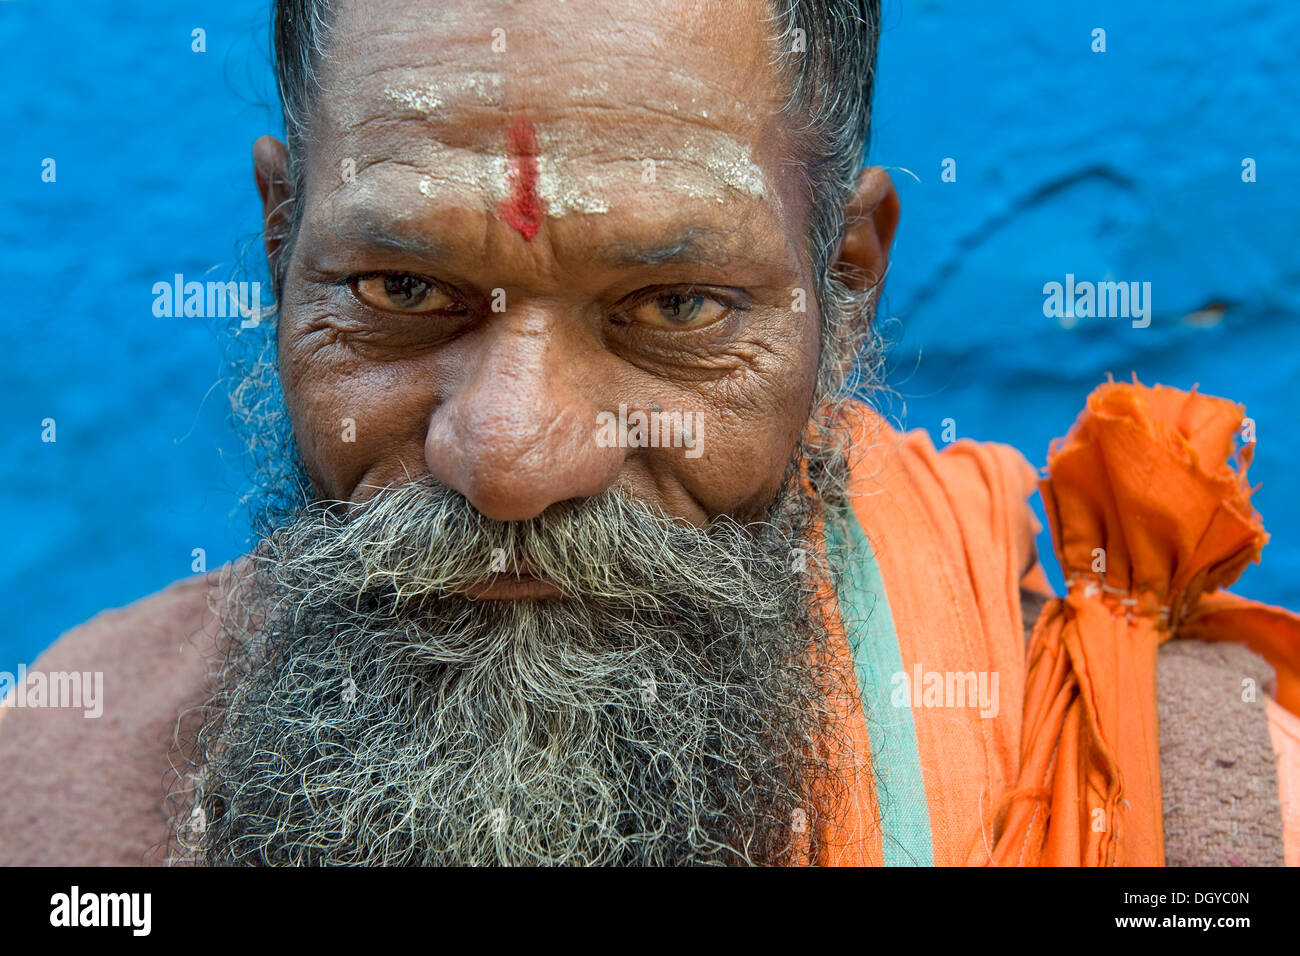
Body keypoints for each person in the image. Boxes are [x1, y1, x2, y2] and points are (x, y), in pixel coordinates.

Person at [1, 0, 1296, 866]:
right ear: (284, 251)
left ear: (844, 288)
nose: (509, 459)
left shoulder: (1193, 807)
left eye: (673, 306)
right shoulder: (56, 786)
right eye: (404, 293)